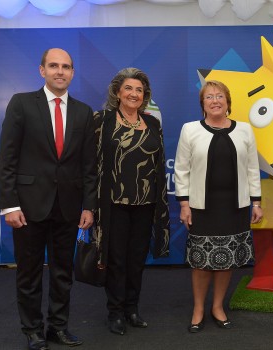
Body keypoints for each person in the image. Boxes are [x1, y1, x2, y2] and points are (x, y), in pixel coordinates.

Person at [0, 48, 96, 350]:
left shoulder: (83, 111)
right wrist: (9, 205)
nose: (60, 71)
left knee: (63, 273)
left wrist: (89, 205)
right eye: (53, 66)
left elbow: (88, 165)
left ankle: (58, 328)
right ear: (42, 70)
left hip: (67, 207)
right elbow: (8, 159)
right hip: (27, 207)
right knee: (28, 274)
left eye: (66, 67)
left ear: (72, 73)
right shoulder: (22, 104)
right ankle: (33, 330)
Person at [174, 80, 262, 333]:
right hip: (202, 207)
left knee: (227, 260)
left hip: (234, 207)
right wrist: (184, 203)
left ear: (228, 102)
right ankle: (199, 308)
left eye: (220, 96)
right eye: (209, 96)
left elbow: (252, 168)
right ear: (202, 104)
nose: (215, 100)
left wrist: (256, 202)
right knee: (201, 262)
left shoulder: (244, 130)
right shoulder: (190, 130)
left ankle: (218, 306)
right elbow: (181, 169)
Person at [93, 67, 170, 335]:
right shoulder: (102, 120)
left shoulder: (153, 124)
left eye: (139, 90)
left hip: (146, 203)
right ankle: (114, 312)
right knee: (116, 259)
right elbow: (91, 164)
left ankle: (132, 308)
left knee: (137, 258)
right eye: (128, 88)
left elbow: (158, 165)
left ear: (145, 96)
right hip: (113, 203)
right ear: (117, 92)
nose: (133, 94)